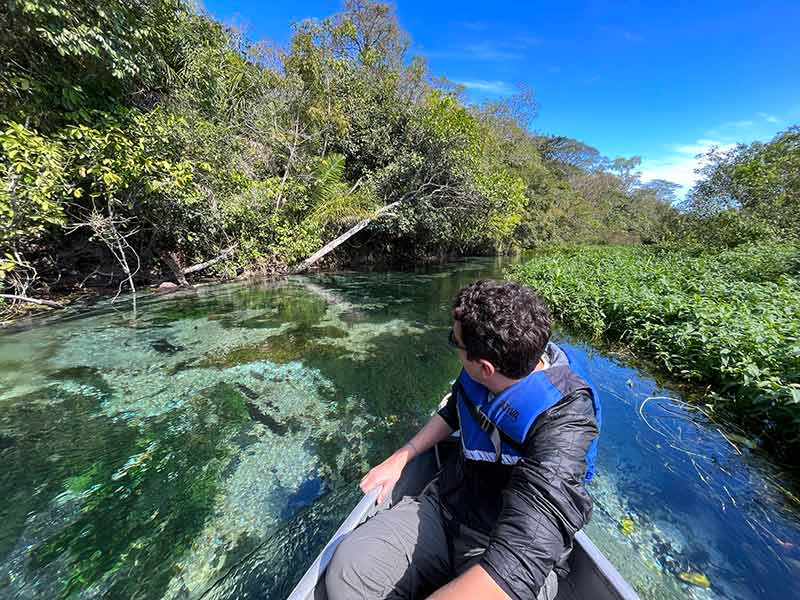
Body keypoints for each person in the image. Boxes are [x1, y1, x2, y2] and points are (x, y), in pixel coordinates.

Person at [322, 280, 601, 600]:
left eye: (454, 342)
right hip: (445, 509)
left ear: (485, 367)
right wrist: (403, 455)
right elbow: (456, 410)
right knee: (349, 571)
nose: (453, 346)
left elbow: (525, 554)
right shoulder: (485, 370)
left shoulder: (567, 421)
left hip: (501, 544)